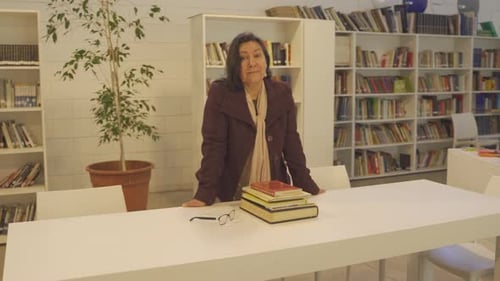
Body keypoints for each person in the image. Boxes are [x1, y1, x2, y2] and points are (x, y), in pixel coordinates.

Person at [183, 32, 323, 207]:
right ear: (235, 65)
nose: (252, 63)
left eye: (257, 55)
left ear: (265, 61)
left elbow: (292, 144)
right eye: (243, 58)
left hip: (274, 191)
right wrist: (203, 196)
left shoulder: (282, 93)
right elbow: (214, 148)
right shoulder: (221, 93)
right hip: (232, 192)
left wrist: (308, 187)